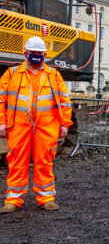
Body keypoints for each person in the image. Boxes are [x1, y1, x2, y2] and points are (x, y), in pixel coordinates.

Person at [0, 37, 72, 213]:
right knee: (17, 160)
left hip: (46, 126)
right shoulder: (12, 74)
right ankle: (13, 199)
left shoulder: (53, 75)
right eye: (33, 53)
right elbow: (1, 100)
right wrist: (2, 122)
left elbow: (64, 101)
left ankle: (46, 197)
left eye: (40, 54)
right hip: (18, 125)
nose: (36, 57)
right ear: (26, 53)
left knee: (44, 161)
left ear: (45, 55)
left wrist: (65, 124)